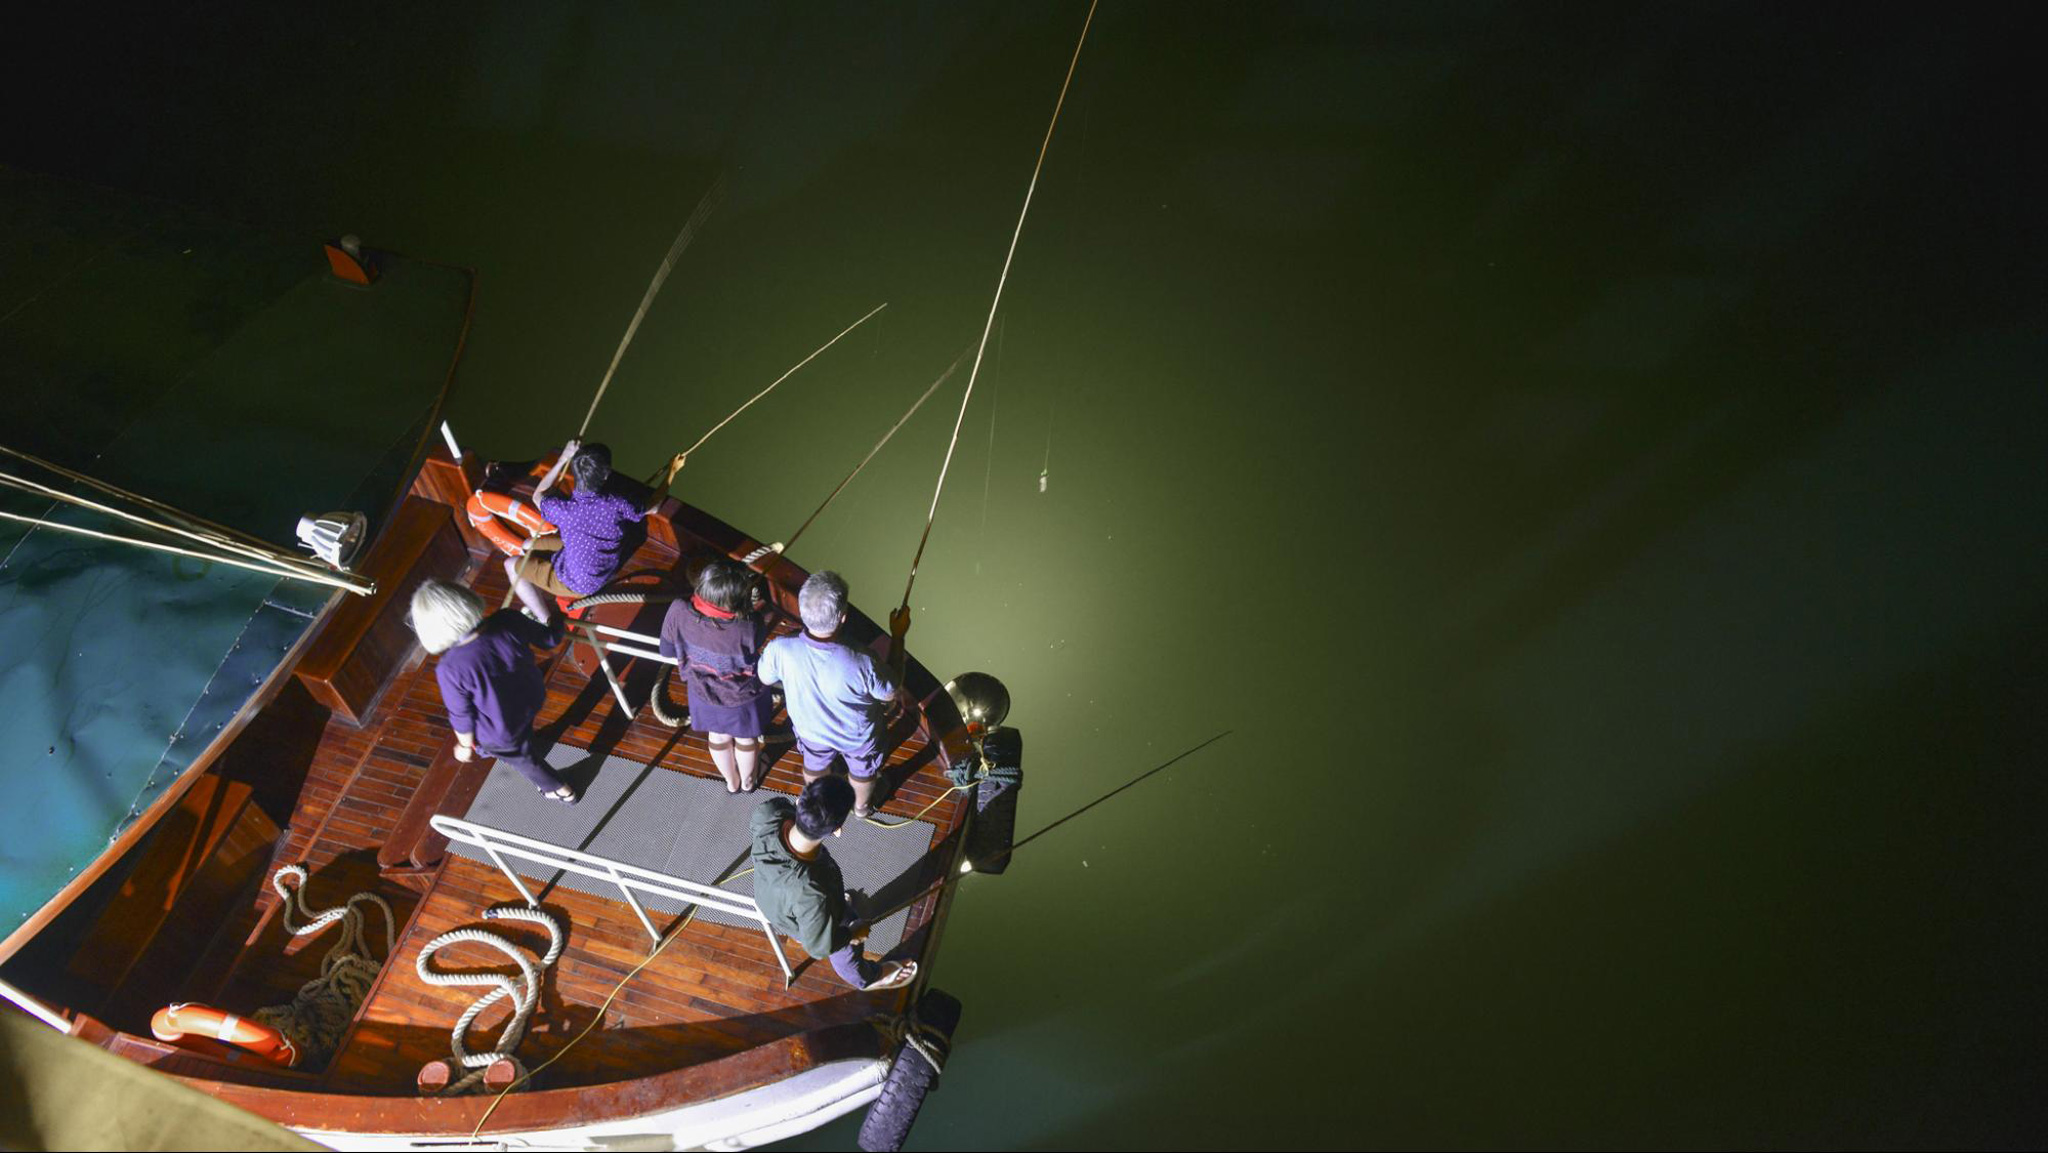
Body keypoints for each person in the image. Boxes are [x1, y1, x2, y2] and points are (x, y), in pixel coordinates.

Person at [408, 578, 578, 803]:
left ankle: (558, 789)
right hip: (531, 694)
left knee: (518, 756)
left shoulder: (450, 668)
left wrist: (464, 745)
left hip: (503, 727)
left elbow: (462, 716)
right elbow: (549, 640)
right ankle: (521, 738)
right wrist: (556, 620)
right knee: (517, 729)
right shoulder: (507, 618)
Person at [755, 571, 902, 818]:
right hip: (857, 738)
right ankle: (862, 808)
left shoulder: (780, 648)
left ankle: (818, 801)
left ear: (802, 611)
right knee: (862, 770)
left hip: (810, 730)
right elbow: (889, 693)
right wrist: (898, 636)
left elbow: (765, 678)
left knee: (814, 763)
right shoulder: (862, 660)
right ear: (843, 617)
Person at [749, 776, 917, 991]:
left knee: (817, 913)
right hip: (802, 914)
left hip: (769, 896)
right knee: (844, 939)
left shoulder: (769, 812)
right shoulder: (813, 892)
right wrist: (853, 934)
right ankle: (867, 979)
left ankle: (816, 921)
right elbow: (819, 947)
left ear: (801, 800)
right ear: (836, 829)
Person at [658, 558, 776, 793]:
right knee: (745, 739)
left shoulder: (678, 610)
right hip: (741, 698)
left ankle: (731, 783)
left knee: (718, 736)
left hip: (702, 694)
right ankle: (749, 782)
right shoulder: (748, 625)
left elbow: (666, 650)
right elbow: (760, 629)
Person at [509, 439, 677, 602]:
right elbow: (654, 506)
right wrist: (672, 472)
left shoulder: (564, 510)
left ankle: (547, 619)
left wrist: (563, 459)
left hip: (578, 584)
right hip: (591, 567)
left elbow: (538, 495)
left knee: (511, 564)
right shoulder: (615, 504)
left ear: (575, 471)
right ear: (605, 475)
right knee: (526, 545)